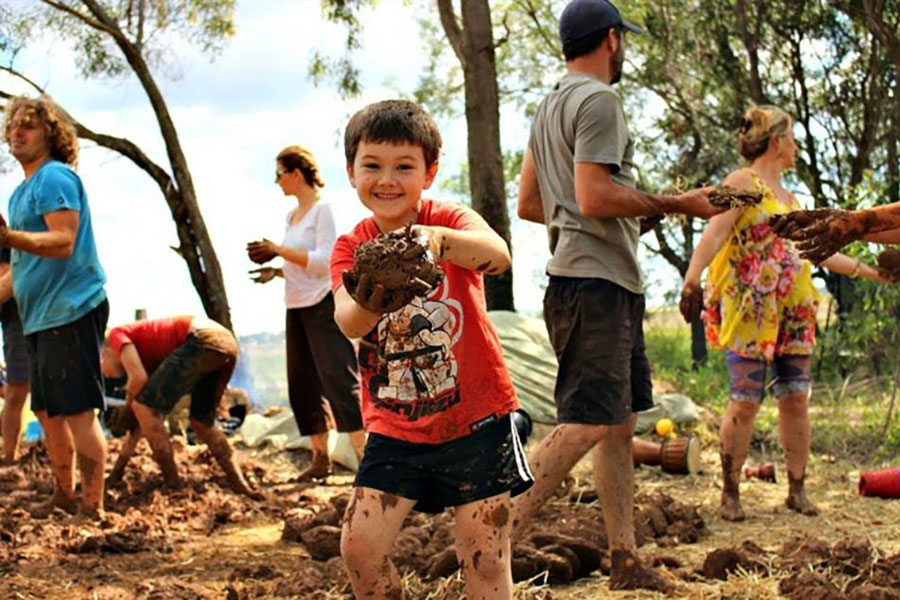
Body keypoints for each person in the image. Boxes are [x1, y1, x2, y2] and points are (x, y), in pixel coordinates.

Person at [512, 0, 724, 591]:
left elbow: (534, 204)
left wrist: (626, 217)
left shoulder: (548, 105)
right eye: (622, 39)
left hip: (589, 278)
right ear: (611, 39)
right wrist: (678, 203)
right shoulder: (600, 100)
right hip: (595, 285)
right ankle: (494, 536)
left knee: (618, 424)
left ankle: (624, 559)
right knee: (583, 423)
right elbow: (594, 196)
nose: (623, 48)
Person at [332, 99, 533, 600]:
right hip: (396, 427)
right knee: (359, 548)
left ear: (429, 172)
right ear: (351, 171)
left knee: (484, 556)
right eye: (372, 166)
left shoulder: (448, 219)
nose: (388, 179)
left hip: (477, 420)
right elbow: (348, 321)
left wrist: (438, 242)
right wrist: (374, 293)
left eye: (405, 167)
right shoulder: (350, 248)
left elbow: (498, 256)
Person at [680, 104, 890, 522]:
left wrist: (873, 273)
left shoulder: (792, 199)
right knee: (745, 401)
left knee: (795, 398)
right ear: (777, 141)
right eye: (791, 138)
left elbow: (823, 255)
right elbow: (715, 232)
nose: (795, 147)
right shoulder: (742, 182)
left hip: (794, 311)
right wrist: (692, 278)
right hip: (750, 310)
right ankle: (730, 492)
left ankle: (797, 489)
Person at [1, 95, 109, 518]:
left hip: (72, 309)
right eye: (13, 126)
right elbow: (21, 270)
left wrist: (9, 239)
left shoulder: (55, 178)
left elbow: (63, 241)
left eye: (29, 125)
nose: (17, 132)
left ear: (51, 134)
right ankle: (64, 495)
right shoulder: (19, 193)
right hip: (40, 317)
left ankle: (93, 506)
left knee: (79, 413)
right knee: (46, 413)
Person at [247, 145, 365, 480]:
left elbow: (326, 261)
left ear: (296, 174)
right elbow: (302, 263)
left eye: (279, 174)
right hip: (296, 304)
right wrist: (277, 270)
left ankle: (365, 459)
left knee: (339, 381)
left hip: (323, 302)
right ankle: (320, 459)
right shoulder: (292, 216)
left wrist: (278, 250)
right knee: (303, 385)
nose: (277, 181)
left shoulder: (322, 211)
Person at [100, 315, 262, 499]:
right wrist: (117, 472)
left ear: (106, 350)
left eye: (100, 361)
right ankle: (240, 484)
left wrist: (128, 406)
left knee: (142, 407)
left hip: (201, 338)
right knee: (202, 422)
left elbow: (138, 382)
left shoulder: (116, 335)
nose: (102, 370)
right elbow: (142, 421)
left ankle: (173, 485)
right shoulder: (148, 357)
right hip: (225, 343)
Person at [0, 248, 30, 464]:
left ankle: (9, 455)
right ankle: (9, 455)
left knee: (17, 392)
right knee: (14, 393)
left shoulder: (9, 243)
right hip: (14, 322)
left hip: (23, 319)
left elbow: (8, 274)